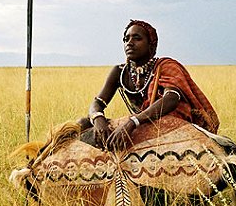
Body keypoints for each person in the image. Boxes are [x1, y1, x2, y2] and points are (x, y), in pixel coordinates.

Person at [79, 19, 219, 151]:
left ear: (151, 44)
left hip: (163, 122)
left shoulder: (166, 66)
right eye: (126, 39)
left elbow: (171, 98)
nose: (130, 43)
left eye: (137, 38)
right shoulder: (120, 72)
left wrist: (132, 122)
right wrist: (98, 119)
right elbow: (96, 103)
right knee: (83, 123)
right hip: (139, 123)